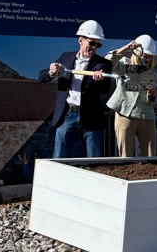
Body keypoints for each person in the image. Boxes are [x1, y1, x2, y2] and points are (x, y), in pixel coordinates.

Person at [38, 20, 112, 158]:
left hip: (91, 117)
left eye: (97, 44)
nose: (94, 47)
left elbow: (105, 89)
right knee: (60, 157)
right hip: (67, 115)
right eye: (91, 43)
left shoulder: (103, 64)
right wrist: (51, 73)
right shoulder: (65, 58)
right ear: (81, 41)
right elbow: (42, 77)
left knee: (94, 159)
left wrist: (99, 80)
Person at [105, 35, 157, 157]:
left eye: (150, 56)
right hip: (124, 113)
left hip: (146, 114)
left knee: (150, 155)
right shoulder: (123, 64)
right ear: (136, 52)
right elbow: (107, 63)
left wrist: (154, 95)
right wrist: (125, 48)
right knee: (125, 154)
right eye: (144, 55)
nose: (146, 59)